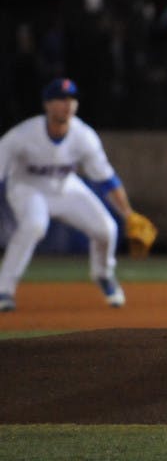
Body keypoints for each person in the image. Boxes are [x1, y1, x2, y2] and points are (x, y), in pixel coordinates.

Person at [0, 78, 149, 312]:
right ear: (47, 105)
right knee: (34, 225)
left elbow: (107, 179)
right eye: (60, 99)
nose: (67, 104)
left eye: (71, 99)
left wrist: (128, 214)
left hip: (65, 187)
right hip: (27, 188)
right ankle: (4, 289)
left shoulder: (84, 136)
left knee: (107, 229)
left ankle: (103, 274)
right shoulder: (21, 135)